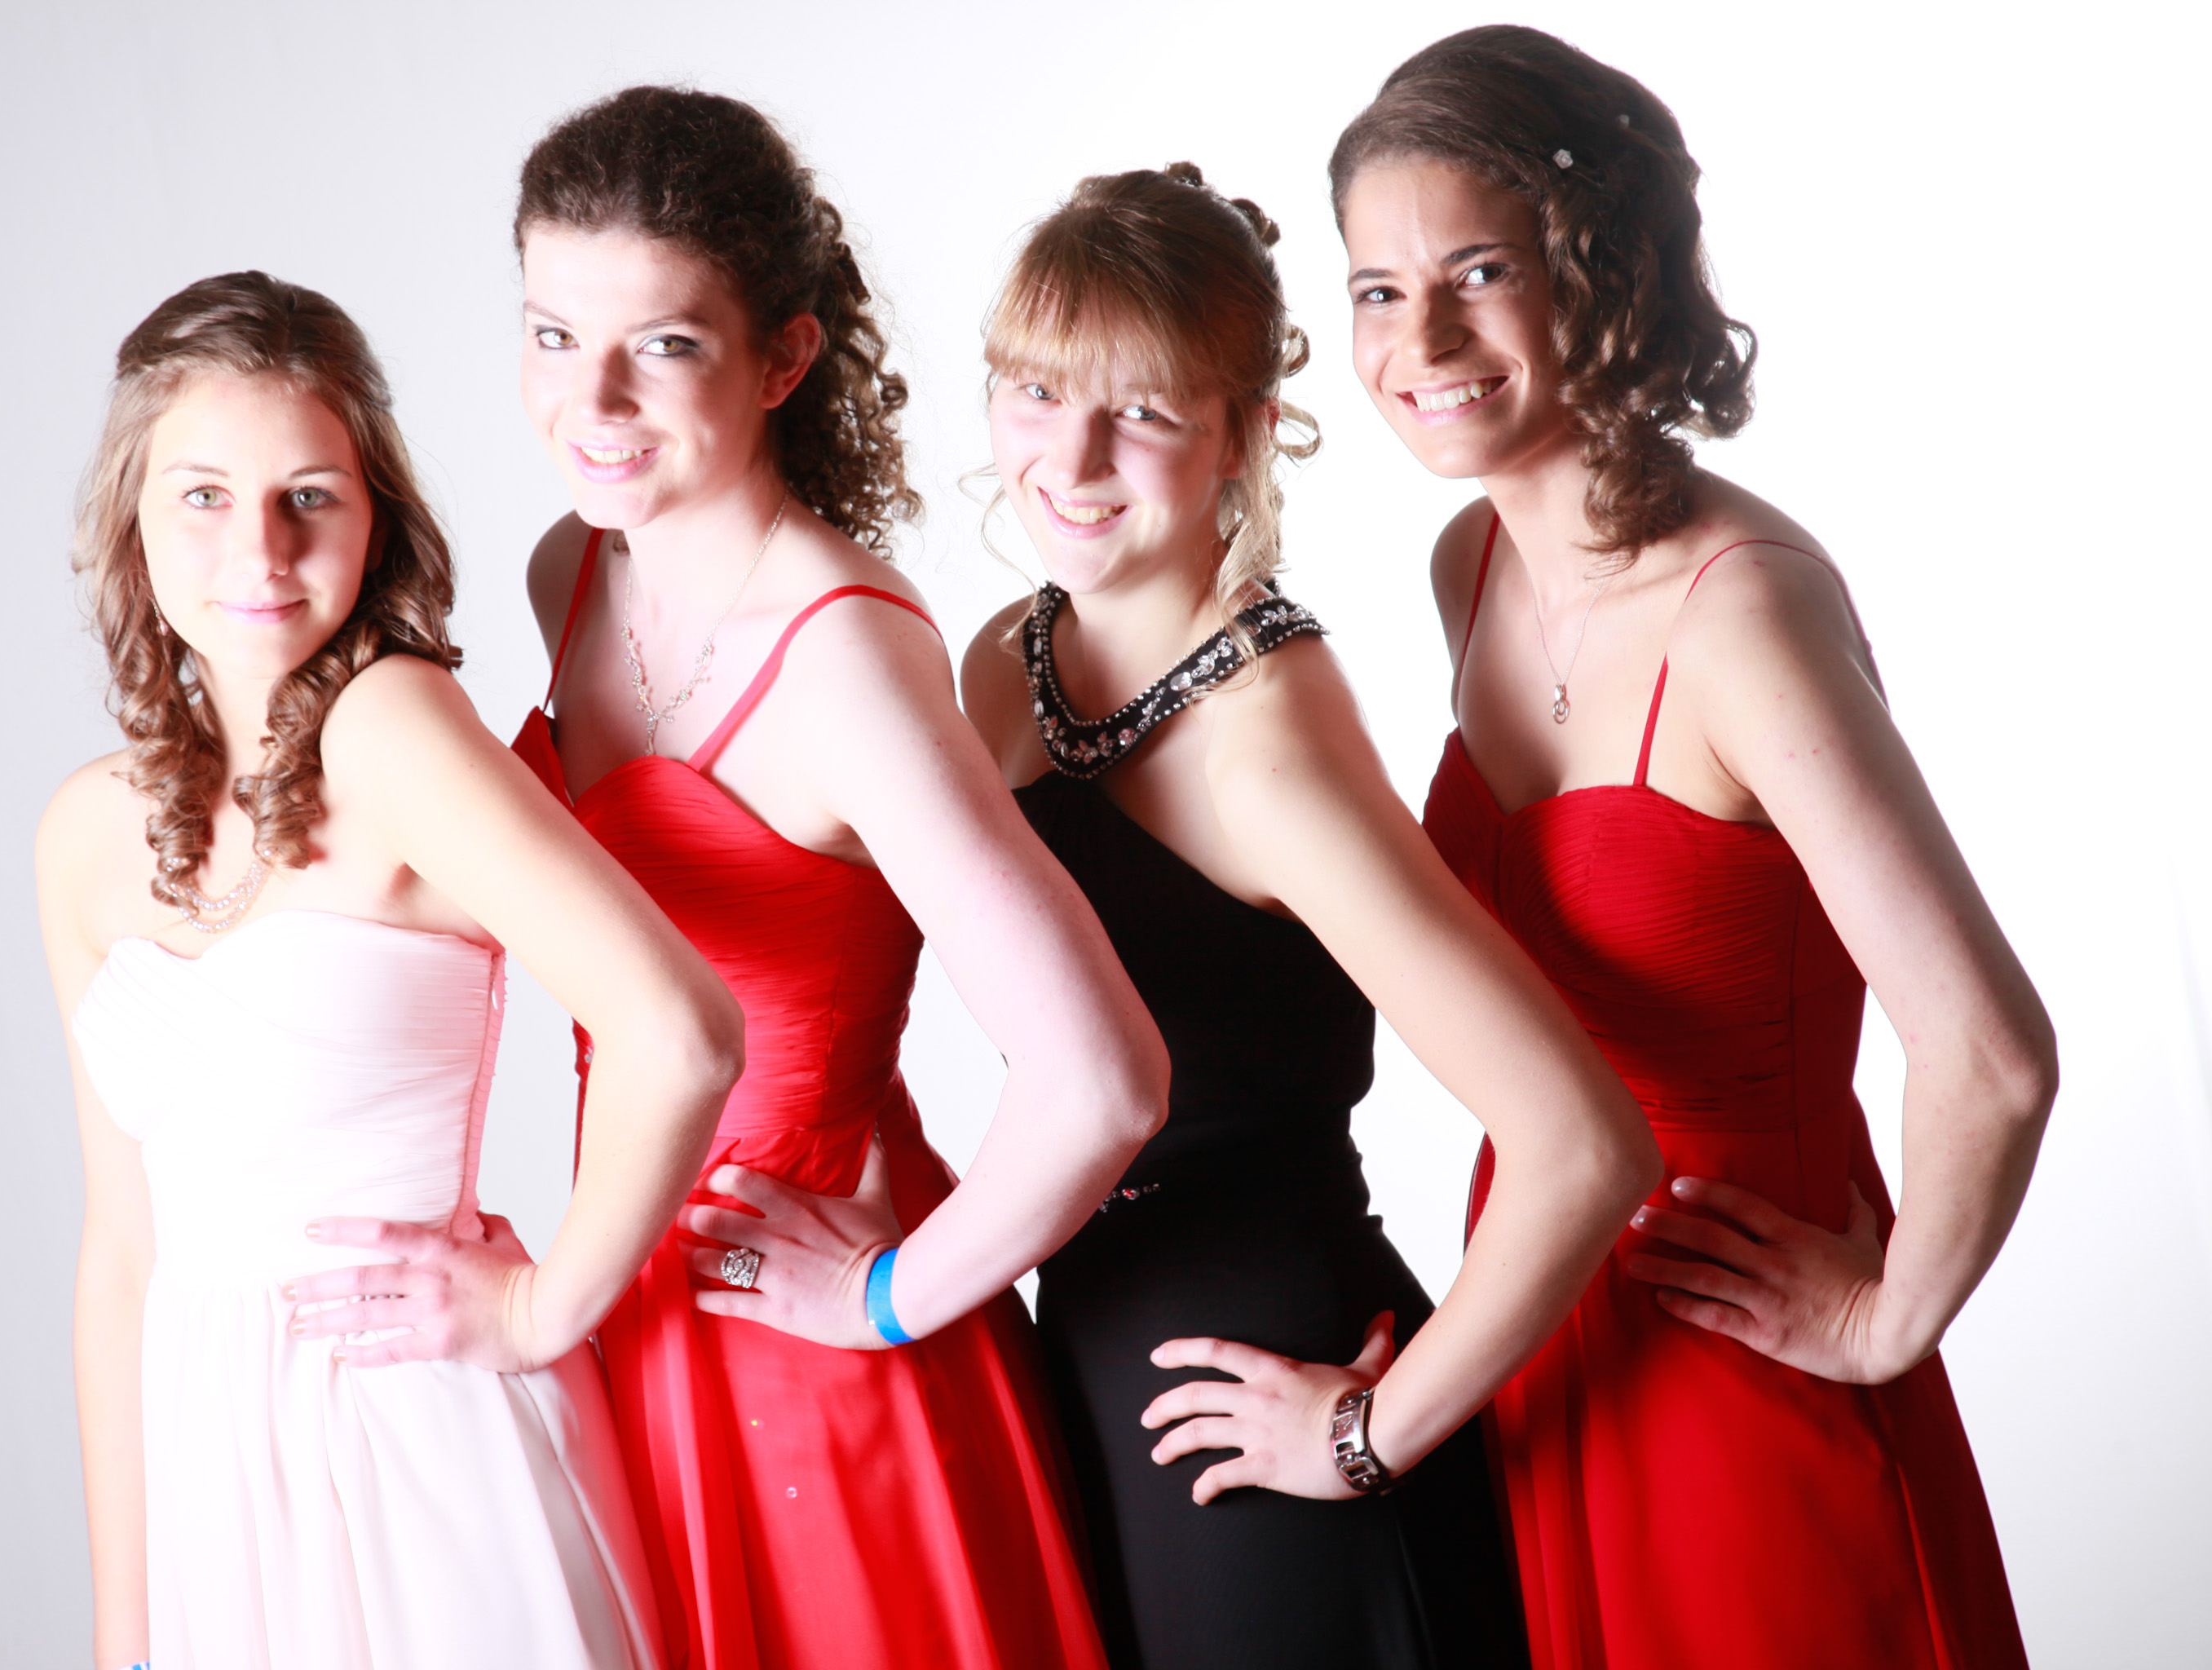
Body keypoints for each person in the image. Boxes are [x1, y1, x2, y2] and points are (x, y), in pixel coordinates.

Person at [310, 88, 1168, 1669]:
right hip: (626, 1295)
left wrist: (886, 1299)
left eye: (664, 346)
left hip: (811, 1359)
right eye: (553, 335)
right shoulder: (574, 570)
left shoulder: (846, 660)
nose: (593, 401)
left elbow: (1106, 1077)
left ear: (784, 358)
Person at [1322, 26, 2056, 1669]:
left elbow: (1992, 1053)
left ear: (1606, 272)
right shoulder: (1470, 566)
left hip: (1737, 1340)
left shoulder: (1745, 615)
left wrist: (1882, 1322)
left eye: (1479, 272)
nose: (1420, 340)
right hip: (1545, 1306)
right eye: (1377, 288)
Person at [954, 162, 1660, 1670]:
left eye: (1143, 412)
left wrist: (1365, 1439)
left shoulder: (1267, 752)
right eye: (1036, 392)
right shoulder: (1004, 666)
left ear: (1245, 433)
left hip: (1268, 1409)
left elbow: (1586, 1145)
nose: (1071, 459)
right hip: (1089, 1369)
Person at [40, 270, 744, 1670]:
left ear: (376, 518)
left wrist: (541, 1309)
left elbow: (683, 1033)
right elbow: (123, 1255)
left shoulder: (392, 726)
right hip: (210, 1480)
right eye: (202, 496)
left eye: (308, 496)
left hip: (407, 1440)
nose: (259, 549)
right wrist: (126, 1630)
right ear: (130, 517)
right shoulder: (85, 831)